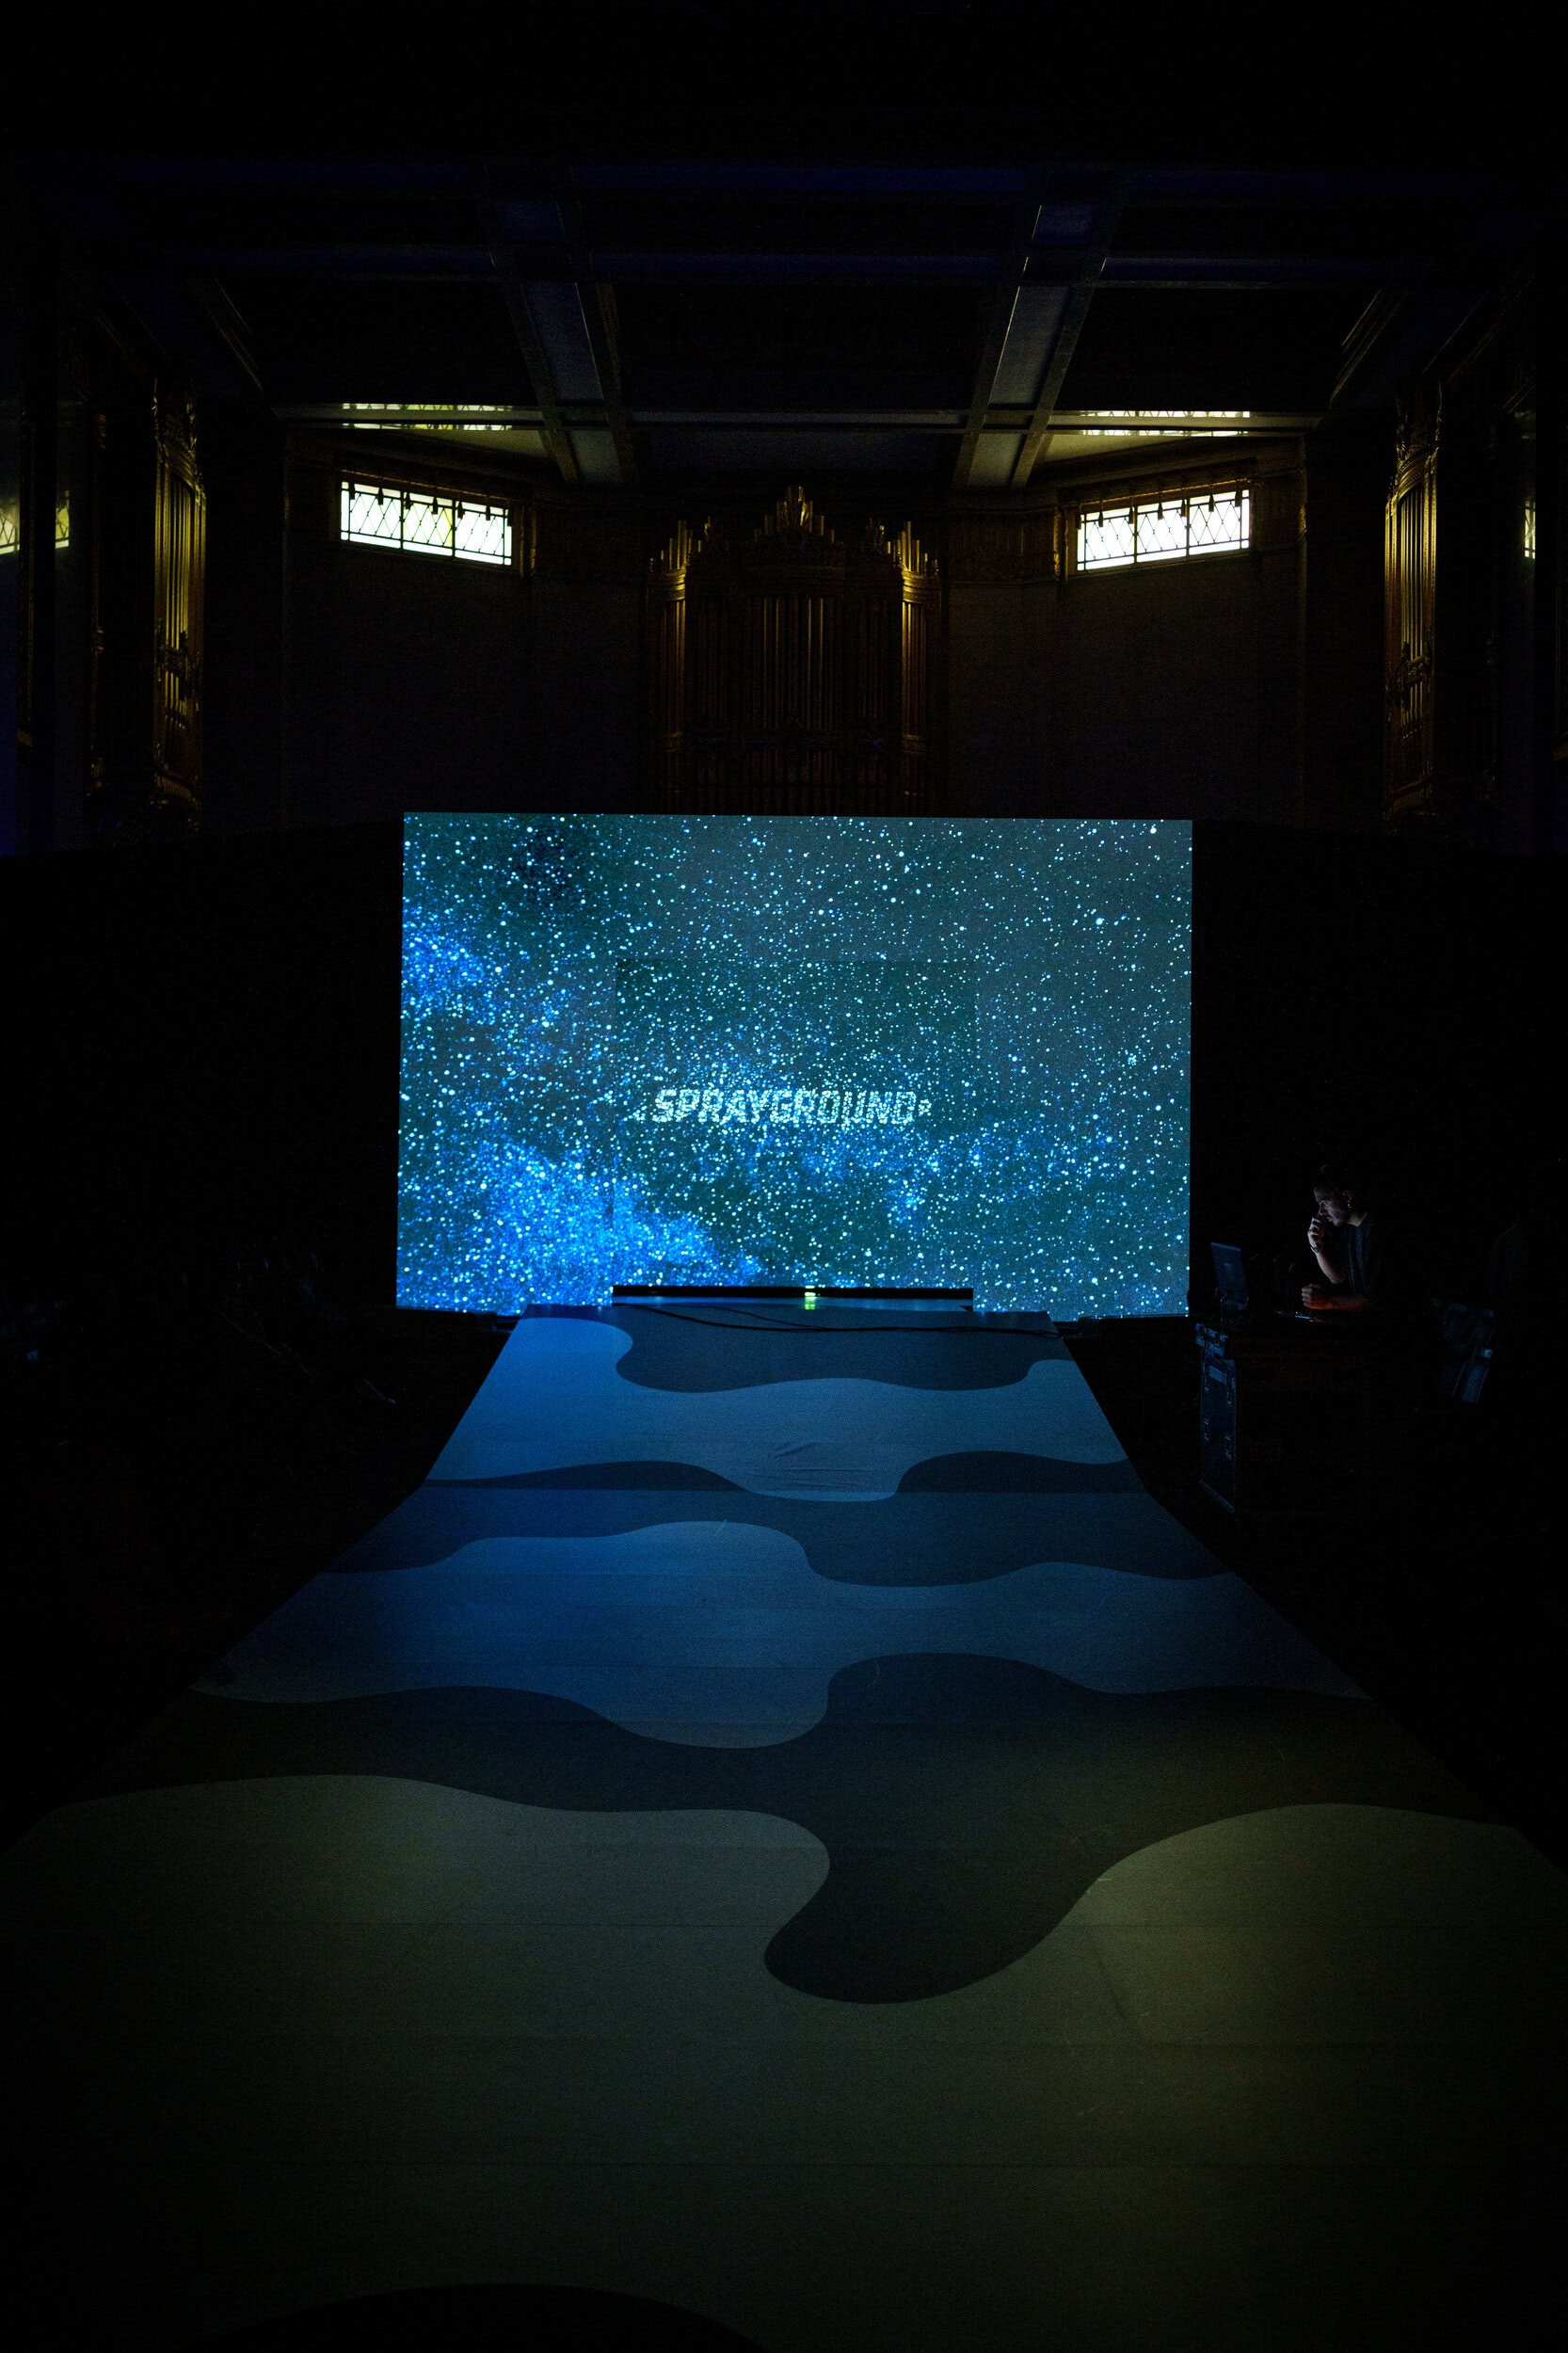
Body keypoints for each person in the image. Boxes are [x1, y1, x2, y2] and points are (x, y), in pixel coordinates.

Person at [1302, 1160, 1383, 1310]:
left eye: (1325, 1202)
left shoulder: (1377, 1231)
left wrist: (1327, 1302)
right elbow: (1337, 1277)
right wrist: (1317, 1246)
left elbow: (1375, 1300)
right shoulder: (1350, 1230)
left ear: (1346, 1197)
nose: (1321, 1212)